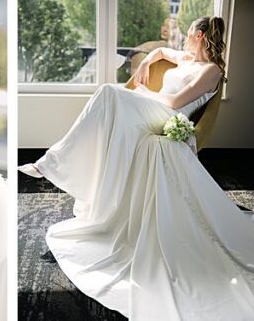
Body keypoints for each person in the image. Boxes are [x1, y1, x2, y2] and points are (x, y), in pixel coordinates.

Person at [19, 16, 254, 319]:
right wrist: (145, 65)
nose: (181, 40)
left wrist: (142, 94)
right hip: (153, 108)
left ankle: (53, 162)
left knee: (108, 93)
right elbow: (158, 54)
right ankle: (70, 168)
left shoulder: (211, 71)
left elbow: (174, 103)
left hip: (165, 114)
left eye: (187, 35)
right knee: (109, 101)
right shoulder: (184, 58)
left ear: (198, 35)